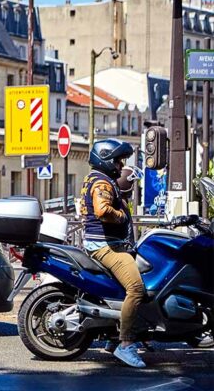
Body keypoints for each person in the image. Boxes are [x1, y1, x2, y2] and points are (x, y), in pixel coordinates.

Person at [80, 139, 147, 368]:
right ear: (106, 159)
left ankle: (111, 337)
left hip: (104, 242)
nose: (120, 165)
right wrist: (122, 215)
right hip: (105, 245)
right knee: (136, 288)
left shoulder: (97, 178)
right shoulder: (101, 182)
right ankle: (126, 345)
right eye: (118, 160)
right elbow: (102, 211)